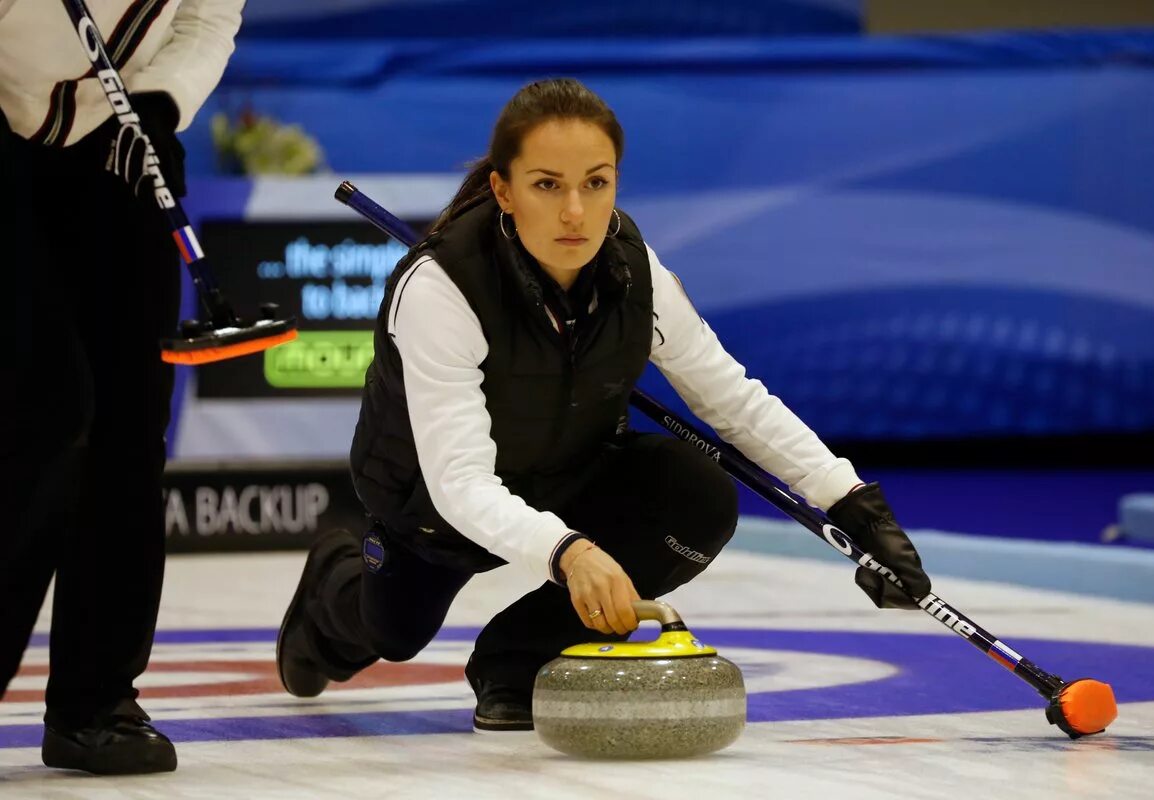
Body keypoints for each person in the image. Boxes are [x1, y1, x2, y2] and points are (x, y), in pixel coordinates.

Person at [276, 77, 931, 732]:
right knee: (392, 636)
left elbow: (733, 399)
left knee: (695, 497)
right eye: (547, 185)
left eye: (596, 183)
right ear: (503, 190)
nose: (575, 212)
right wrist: (568, 552)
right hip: (434, 512)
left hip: (568, 477)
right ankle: (328, 593)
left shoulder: (633, 271)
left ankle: (517, 663)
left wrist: (854, 503)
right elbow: (461, 483)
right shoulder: (441, 288)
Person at [0, 0, 244, 775]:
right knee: (46, 405)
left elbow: (207, 19)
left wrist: (163, 102)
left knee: (128, 425)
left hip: (119, 138)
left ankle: (95, 700)